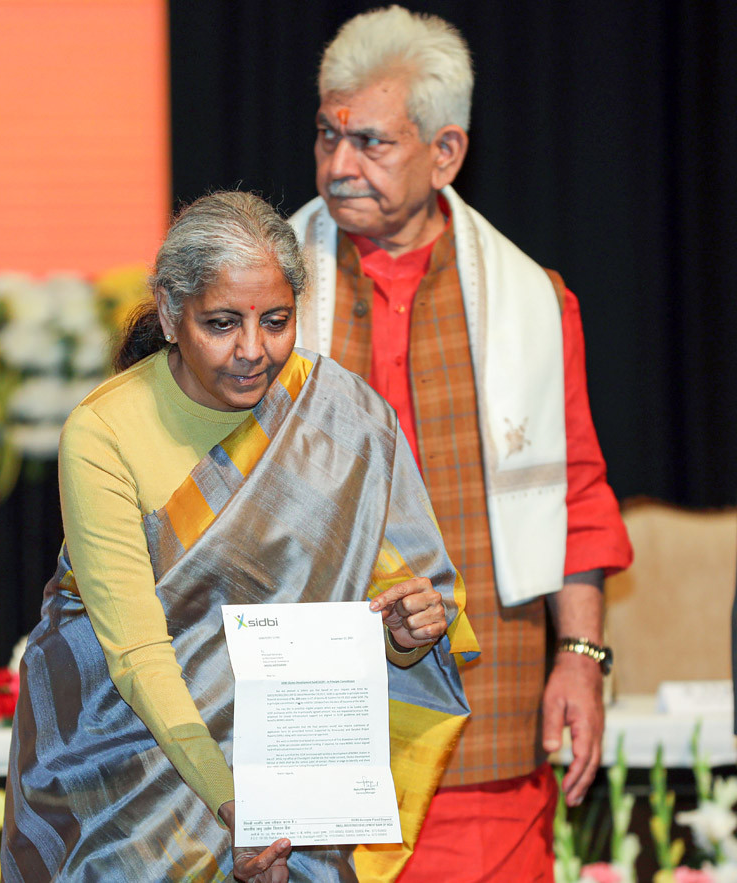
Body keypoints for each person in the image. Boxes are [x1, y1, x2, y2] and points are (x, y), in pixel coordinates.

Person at [1, 191, 478, 882]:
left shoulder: (339, 415)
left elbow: (370, 619)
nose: (253, 351)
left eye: (276, 321)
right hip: (129, 796)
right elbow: (136, 652)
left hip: (292, 796)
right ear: (170, 312)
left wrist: (407, 636)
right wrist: (235, 802)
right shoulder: (103, 431)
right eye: (222, 323)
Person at [288, 7, 633, 880]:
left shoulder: (531, 300)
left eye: (369, 142)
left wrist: (581, 658)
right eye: (327, 135)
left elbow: (577, 495)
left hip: (487, 716)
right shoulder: (267, 289)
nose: (337, 165)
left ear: (445, 152)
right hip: (314, 709)